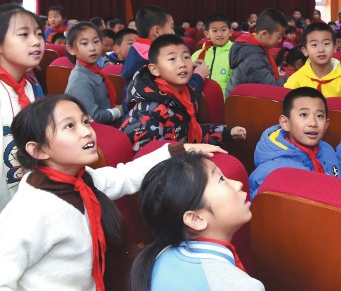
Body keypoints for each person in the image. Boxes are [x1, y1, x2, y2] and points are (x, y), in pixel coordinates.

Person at [0, 94, 223, 291]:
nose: (87, 131)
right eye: (69, 126)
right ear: (38, 150)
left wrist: (179, 150)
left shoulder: (81, 179)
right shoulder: (31, 209)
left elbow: (123, 176)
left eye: (85, 121)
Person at [129, 152, 264, 291]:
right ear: (196, 219)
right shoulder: (243, 287)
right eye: (221, 179)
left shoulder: (159, 258)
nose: (238, 184)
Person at [121, 35, 247, 153]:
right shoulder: (148, 109)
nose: (182, 64)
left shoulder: (183, 95)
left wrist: (226, 133)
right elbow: (149, 156)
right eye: (172, 59)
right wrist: (194, 151)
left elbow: (189, 132)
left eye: (186, 57)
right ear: (155, 69)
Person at [249, 87, 341, 198]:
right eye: (304, 115)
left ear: (326, 124)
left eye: (319, 116)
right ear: (285, 123)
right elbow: (260, 206)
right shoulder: (273, 171)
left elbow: (338, 175)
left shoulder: (325, 149)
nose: (313, 123)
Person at [0, 4, 45, 211]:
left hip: (26, 195)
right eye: (24, 34)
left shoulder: (32, 84)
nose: (36, 41)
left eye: (39, 34)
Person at [122, 5, 206, 112]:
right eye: (171, 27)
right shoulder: (153, 61)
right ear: (157, 31)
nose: (174, 32)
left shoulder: (136, 51)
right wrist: (199, 75)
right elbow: (175, 92)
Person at [65, 22, 123, 125]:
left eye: (96, 41)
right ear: (71, 49)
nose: (92, 48)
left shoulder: (93, 71)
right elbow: (93, 117)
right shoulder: (80, 80)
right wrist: (118, 111)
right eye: (84, 43)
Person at [284, 22, 341, 98]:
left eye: (326, 44)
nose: (321, 49)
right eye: (314, 45)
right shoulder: (295, 80)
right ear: (305, 51)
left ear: (334, 47)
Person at [225, 8, 288, 96]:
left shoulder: (251, 44)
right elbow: (273, 88)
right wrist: (298, 77)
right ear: (264, 34)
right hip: (243, 104)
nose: (280, 40)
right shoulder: (253, 59)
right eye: (279, 36)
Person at [191, 14, 234, 97]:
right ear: (207, 34)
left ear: (230, 32)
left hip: (225, 100)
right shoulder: (197, 54)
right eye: (215, 31)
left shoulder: (235, 53)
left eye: (223, 30)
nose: (219, 34)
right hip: (199, 101)